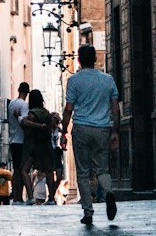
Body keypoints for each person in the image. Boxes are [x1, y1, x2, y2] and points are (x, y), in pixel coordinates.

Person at [60, 45, 120, 226]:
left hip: (81, 129)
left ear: (78, 60)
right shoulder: (107, 79)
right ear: (95, 59)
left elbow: (69, 109)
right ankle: (108, 191)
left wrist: (63, 132)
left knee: (83, 172)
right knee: (102, 169)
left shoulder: (74, 81)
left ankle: (88, 212)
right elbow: (115, 108)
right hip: (102, 129)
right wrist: (115, 131)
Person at [22, 88, 60, 203]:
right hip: (46, 145)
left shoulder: (31, 114)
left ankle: (30, 196)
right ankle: (52, 198)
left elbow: (27, 131)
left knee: (25, 170)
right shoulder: (47, 113)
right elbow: (49, 130)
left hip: (34, 145)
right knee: (49, 172)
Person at [7, 82, 30, 203]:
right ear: (27, 92)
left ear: (18, 90)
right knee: (22, 170)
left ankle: (16, 196)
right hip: (21, 140)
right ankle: (19, 196)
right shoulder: (24, 105)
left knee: (16, 170)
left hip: (12, 139)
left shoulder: (11, 103)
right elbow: (24, 122)